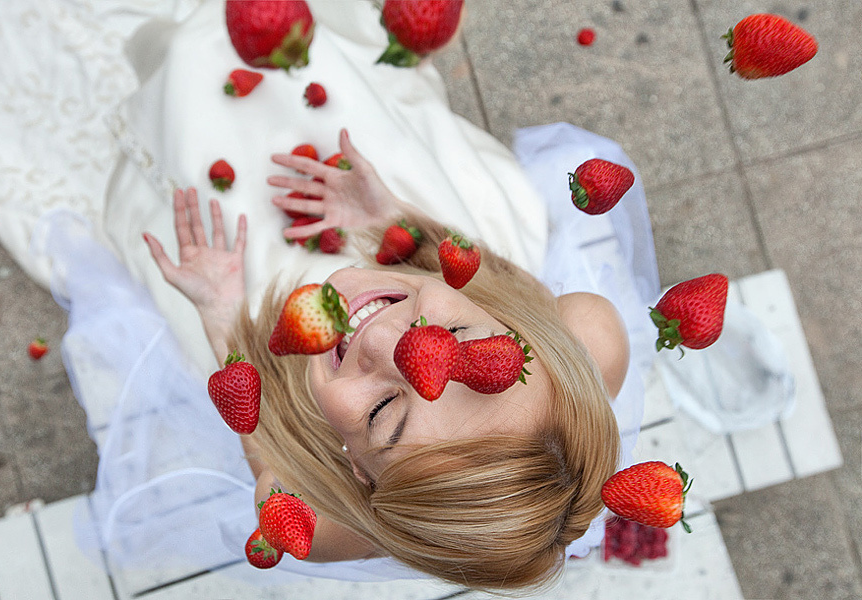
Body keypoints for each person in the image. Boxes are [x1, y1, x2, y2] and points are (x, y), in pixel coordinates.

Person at [142, 127, 630, 590]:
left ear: (361, 473)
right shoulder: (593, 332)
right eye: (454, 334)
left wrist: (224, 318)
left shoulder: (322, 522)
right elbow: (511, 292)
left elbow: (273, 457)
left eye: (382, 412)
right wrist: (393, 218)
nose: (377, 338)